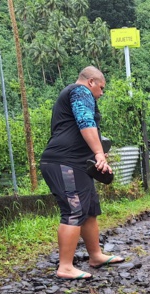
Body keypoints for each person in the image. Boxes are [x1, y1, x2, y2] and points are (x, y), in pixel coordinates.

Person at [40, 66, 124, 280]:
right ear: (91, 82)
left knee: (89, 209)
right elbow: (86, 122)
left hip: (77, 163)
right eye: (101, 88)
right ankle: (65, 266)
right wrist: (99, 154)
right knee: (74, 209)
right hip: (63, 162)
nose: (101, 93)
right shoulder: (80, 92)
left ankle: (95, 255)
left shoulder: (74, 94)